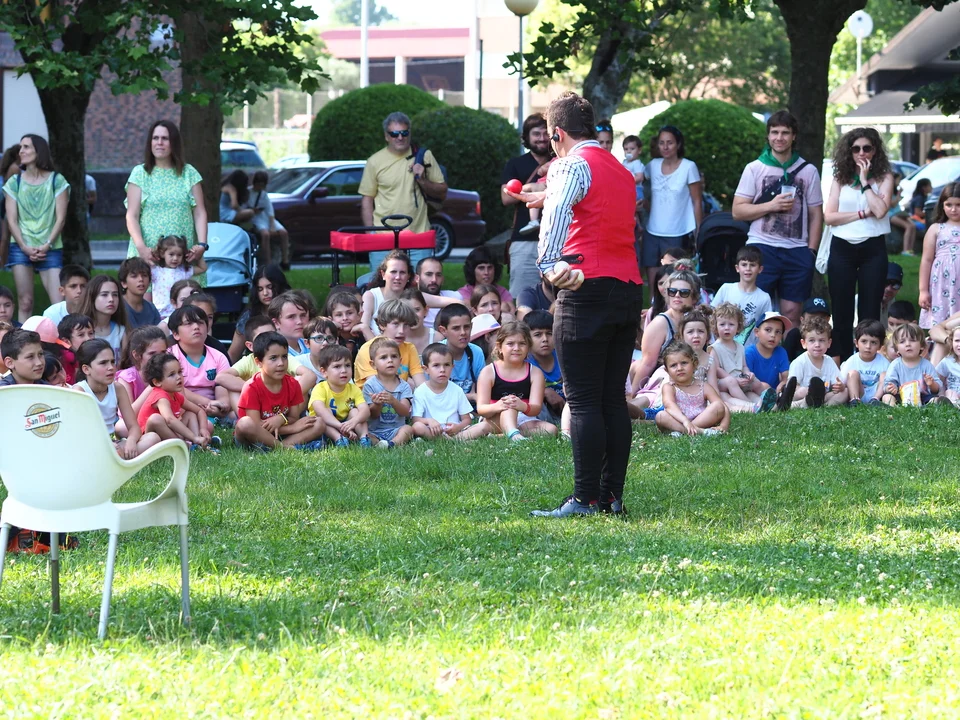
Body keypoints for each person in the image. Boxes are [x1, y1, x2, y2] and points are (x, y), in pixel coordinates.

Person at [515, 90, 641, 506]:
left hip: (585, 286)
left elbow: (556, 218)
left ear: (557, 134)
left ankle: (585, 500)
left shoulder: (569, 164)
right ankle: (612, 498)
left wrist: (549, 264)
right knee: (612, 399)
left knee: (583, 399)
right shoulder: (621, 171)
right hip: (627, 287)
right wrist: (547, 194)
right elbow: (597, 208)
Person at [732, 110, 824, 330]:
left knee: (792, 312)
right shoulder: (755, 168)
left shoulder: (808, 171)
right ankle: (750, 351)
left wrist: (811, 252)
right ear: (768, 135)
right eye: (774, 132)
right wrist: (771, 206)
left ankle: (786, 352)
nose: (779, 137)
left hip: (797, 249)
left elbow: (816, 214)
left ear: (794, 136)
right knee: (754, 310)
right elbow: (737, 211)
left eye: (785, 133)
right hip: (762, 246)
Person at [824, 128, 894, 361]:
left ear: (875, 151)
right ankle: (842, 359)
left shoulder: (884, 177)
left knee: (870, 308)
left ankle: (868, 359)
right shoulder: (840, 178)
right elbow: (830, 217)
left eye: (867, 148)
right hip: (842, 246)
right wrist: (862, 213)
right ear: (849, 152)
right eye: (856, 149)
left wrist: (865, 182)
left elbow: (880, 210)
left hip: (872, 247)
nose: (861, 153)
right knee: (841, 307)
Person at [359, 111, 447, 270]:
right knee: (381, 282)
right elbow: (367, 198)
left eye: (404, 133)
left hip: (418, 234)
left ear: (409, 133)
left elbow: (442, 191)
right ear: (386, 136)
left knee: (421, 282)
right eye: (394, 134)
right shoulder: (374, 161)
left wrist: (422, 180)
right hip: (383, 236)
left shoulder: (424, 156)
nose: (400, 137)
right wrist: (369, 232)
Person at [126, 120, 207, 283]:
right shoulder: (140, 173)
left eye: (165, 138)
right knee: (146, 298)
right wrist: (141, 248)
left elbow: (199, 213)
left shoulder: (189, 173)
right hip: (148, 256)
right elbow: (131, 215)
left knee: (185, 298)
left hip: (181, 256)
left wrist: (202, 245)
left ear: (174, 143)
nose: (159, 142)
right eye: (155, 138)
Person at [3, 134, 69, 320]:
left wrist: (47, 245)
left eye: (26, 147)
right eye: (21, 147)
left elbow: (61, 219)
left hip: (51, 247)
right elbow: (11, 220)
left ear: (38, 151)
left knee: (58, 304)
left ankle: (62, 338)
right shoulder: (14, 182)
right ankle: (21, 338)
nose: (21, 151)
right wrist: (24, 246)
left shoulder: (57, 181)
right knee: (25, 302)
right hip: (21, 247)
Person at [234, 331, 326, 452]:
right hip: (254, 437)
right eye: (273, 358)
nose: (281, 363)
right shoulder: (251, 387)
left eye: (284, 357)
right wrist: (292, 428)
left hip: (281, 433)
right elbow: (256, 426)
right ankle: (283, 448)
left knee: (319, 423)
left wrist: (281, 418)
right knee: (244, 423)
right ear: (258, 362)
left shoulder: (293, 384)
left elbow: (293, 417)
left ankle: (278, 447)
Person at [74, 338, 160, 458]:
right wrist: (105, 444)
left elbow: (134, 427)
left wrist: (131, 441)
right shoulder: (79, 391)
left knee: (152, 438)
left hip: (114, 443)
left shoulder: (117, 388)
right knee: (112, 452)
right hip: (90, 445)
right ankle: (119, 459)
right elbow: (82, 432)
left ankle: (119, 457)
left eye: (112, 361)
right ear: (86, 369)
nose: (111, 367)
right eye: (103, 363)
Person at [642, 126, 703, 288]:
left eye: (670, 142)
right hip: (652, 231)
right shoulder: (652, 165)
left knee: (674, 281)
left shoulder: (689, 167)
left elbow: (697, 201)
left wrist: (699, 231)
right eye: (661, 143)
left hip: (677, 232)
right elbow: (638, 184)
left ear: (678, 144)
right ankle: (653, 305)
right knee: (654, 282)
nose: (665, 147)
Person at [475, 321, 556, 441]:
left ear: (528, 347)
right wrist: (499, 406)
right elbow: (481, 408)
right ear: (499, 347)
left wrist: (522, 406)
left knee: (551, 430)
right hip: (495, 418)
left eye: (522, 343)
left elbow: (536, 408)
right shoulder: (488, 372)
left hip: (524, 418)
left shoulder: (535, 373)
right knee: (509, 408)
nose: (516, 348)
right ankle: (514, 436)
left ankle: (504, 436)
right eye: (510, 344)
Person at [501, 113, 553, 298]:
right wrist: (530, 188)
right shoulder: (515, 164)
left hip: (558, 241)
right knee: (522, 297)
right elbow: (505, 198)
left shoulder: (561, 162)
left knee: (558, 301)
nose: (542, 138)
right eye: (536, 134)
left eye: (546, 133)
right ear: (527, 137)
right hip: (524, 242)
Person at [631, 267, 700, 396]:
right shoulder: (660, 324)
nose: (677, 295)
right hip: (664, 383)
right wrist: (632, 395)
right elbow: (647, 363)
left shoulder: (697, 320)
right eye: (672, 291)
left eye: (684, 292)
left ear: (694, 297)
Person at [217, 315, 302, 414]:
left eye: (272, 335)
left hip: (282, 406)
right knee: (232, 386)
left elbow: (309, 375)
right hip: (255, 407)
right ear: (250, 346)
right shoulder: (249, 361)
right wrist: (256, 389)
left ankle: (287, 417)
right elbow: (221, 377)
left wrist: (293, 392)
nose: (269, 340)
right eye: (262, 338)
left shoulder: (283, 358)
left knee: (299, 379)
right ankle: (245, 417)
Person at [137, 352, 215, 451]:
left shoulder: (176, 395)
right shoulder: (160, 396)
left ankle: (198, 444)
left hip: (168, 435)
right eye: (172, 374)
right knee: (156, 419)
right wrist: (193, 437)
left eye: (179, 372)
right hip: (151, 438)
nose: (178, 377)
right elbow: (169, 420)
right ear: (157, 382)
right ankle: (184, 445)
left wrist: (203, 429)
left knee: (190, 414)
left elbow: (199, 410)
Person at [412, 343, 490, 441]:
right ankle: (449, 440)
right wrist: (429, 421)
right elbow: (416, 419)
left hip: (455, 431)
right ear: (426, 369)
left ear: (452, 367)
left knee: (484, 426)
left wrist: (458, 427)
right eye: (436, 365)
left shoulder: (457, 390)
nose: (442, 370)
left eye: (447, 365)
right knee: (417, 427)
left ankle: (454, 439)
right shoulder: (420, 391)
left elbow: (467, 419)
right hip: (432, 430)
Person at [167, 304, 231, 420]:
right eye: (188, 323)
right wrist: (208, 402)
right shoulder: (169, 356)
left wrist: (221, 406)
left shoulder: (219, 357)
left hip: (212, 408)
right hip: (181, 408)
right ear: (175, 334)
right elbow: (174, 390)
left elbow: (223, 391)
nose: (196, 327)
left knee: (234, 414)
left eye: (200, 322)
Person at [655, 340, 730, 436]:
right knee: (660, 416)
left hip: (701, 420)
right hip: (678, 420)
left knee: (718, 406)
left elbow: (723, 406)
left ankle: (683, 431)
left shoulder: (703, 386)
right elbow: (669, 405)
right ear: (667, 370)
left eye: (684, 363)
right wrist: (685, 421)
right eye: (673, 365)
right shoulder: (669, 387)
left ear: (694, 364)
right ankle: (701, 431)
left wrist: (724, 426)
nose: (679, 368)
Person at [308, 344, 374, 448]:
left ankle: (364, 439)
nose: (344, 370)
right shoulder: (320, 388)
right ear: (324, 372)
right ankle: (339, 439)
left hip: (346, 424)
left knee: (355, 412)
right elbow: (320, 410)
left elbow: (365, 411)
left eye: (347, 365)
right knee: (325, 413)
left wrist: (354, 421)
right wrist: (340, 426)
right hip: (325, 427)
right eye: (337, 366)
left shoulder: (353, 389)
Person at [353, 299, 425, 390]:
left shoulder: (409, 348)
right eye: (396, 324)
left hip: (398, 395)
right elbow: (376, 388)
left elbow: (421, 383)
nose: (401, 331)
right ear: (382, 325)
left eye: (406, 325)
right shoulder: (368, 349)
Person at [226, 264, 290, 363]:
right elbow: (233, 354)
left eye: (270, 287)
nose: (265, 293)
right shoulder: (249, 317)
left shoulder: (292, 311)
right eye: (260, 289)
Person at [710, 245, 772, 345]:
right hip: (721, 347)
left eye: (752, 265)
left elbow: (766, 327)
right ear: (737, 268)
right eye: (744, 264)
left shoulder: (764, 298)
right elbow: (711, 317)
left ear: (760, 269)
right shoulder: (726, 289)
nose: (748, 269)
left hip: (748, 351)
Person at [919, 183, 960, 330]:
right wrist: (923, 290)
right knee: (941, 322)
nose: (953, 209)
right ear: (942, 205)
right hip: (942, 283)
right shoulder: (936, 228)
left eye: (958, 205)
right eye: (949, 205)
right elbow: (926, 260)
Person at [361, 336, 415, 448]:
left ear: (400, 361)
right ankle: (378, 443)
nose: (390, 360)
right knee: (365, 435)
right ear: (373, 364)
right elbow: (372, 415)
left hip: (396, 430)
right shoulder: (370, 385)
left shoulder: (404, 386)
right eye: (383, 357)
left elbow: (405, 412)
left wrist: (393, 401)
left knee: (408, 429)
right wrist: (377, 404)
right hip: (374, 430)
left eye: (394, 356)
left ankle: (392, 444)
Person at [115, 325, 168, 434]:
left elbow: (182, 400)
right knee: (121, 427)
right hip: (138, 422)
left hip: (164, 419)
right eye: (152, 353)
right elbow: (128, 415)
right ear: (137, 355)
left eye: (163, 352)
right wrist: (152, 386)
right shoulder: (127, 377)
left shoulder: (168, 372)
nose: (159, 358)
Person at [787, 316, 848, 408]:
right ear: (804, 343)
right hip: (804, 395)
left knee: (845, 391)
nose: (817, 345)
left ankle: (825, 406)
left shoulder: (829, 361)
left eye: (822, 340)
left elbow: (837, 383)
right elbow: (793, 388)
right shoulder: (799, 362)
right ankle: (801, 403)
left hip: (824, 396)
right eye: (812, 340)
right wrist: (808, 391)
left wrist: (840, 386)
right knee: (802, 391)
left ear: (829, 343)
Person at [524, 310, 569, 428]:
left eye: (549, 333)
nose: (545, 339)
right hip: (541, 412)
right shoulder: (524, 362)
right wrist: (545, 391)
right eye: (538, 335)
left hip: (567, 408)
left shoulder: (564, 357)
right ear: (527, 338)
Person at [435, 303, 486, 406]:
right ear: (443, 330)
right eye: (456, 328)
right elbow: (432, 395)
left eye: (466, 327)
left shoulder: (476, 352)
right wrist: (470, 396)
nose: (463, 332)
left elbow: (483, 391)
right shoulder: (434, 354)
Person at [745, 311, 794, 409]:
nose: (773, 335)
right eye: (768, 330)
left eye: (778, 332)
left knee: (793, 390)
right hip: (753, 391)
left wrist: (782, 384)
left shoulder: (781, 352)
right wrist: (763, 387)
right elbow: (748, 382)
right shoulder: (749, 352)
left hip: (775, 391)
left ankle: (781, 402)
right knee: (760, 389)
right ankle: (775, 404)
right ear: (756, 332)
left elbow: (786, 377)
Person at [881, 323, 940, 405]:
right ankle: (894, 408)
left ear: (921, 346)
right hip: (900, 396)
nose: (908, 344)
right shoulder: (895, 365)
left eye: (912, 340)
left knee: (935, 399)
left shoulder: (927, 365)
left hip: (922, 397)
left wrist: (931, 384)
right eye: (902, 341)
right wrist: (891, 388)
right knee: (887, 397)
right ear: (897, 349)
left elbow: (937, 389)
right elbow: (887, 384)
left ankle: (928, 407)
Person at [149, 235, 206, 319]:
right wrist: (151, 254)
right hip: (160, 314)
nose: (175, 258)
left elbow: (202, 268)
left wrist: (198, 254)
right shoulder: (155, 271)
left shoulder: (184, 271)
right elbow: (140, 268)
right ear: (162, 253)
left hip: (181, 314)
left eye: (179, 255)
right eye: (171, 254)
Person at [79, 274, 129, 362]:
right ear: (92, 297)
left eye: (115, 295)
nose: (111, 299)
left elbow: (125, 364)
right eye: (104, 294)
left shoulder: (120, 331)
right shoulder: (80, 331)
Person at [247, 170, 290, 270]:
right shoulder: (248, 193)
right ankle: (268, 262)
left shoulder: (263, 194)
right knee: (265, 234)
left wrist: (272, 225)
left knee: (283, 233)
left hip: (265, 216)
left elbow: (270, 211)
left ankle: (285, 260)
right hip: (255, 218)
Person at [841, 319, 889, 405]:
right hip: (859, 391)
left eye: (873, 342)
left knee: (885, 375)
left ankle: (875, 400)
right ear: (856, 343)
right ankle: (855, 401)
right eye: (864, 341)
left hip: (877, 393)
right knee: (852, 374)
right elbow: (842, 381)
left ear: (880, 346)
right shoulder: (852, 361)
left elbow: (890, 382)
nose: (868, 346)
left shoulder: (884, 362)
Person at [457, 246, 514, 313]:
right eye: (481, 268)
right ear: (472, 271)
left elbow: (512, 313)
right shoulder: (463, 293)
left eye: (490, 267)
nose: (486, 272)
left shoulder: (502, 292)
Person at [782, 297, 833, 362]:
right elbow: (785, 362)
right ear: (802, 319)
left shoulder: (831, 334)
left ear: (828, 319)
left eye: (821, 318)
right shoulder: (794, 335)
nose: (816, 321)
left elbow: (835, 364)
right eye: (812, 317)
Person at [414, 256, 459, 330]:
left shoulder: (455, 296)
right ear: (417, 278)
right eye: (429, 274)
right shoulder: (411, 302)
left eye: (438, 275)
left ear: (442, 279)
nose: (434, 280)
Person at [118, 258, 162, 329]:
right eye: (134, 276)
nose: (141, 279)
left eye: (144, 275)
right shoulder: (118, 307)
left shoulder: (151, 308)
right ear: (124, 283)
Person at [325, 289, 365, 362]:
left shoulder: (364, 334)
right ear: (331, 319)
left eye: (349, 313)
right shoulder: (327, 339)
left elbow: (379, 352)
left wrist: (366, 329)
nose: (345, 318)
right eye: (339, 315)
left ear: (359, 315)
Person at [267, 291, 310, 357]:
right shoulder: (272, 353)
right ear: (276, 323)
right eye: (291, 317)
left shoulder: (311, 345)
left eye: (303, 315)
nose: (299, 321)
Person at [56, 313, 95, 384]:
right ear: (66, 341)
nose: (88, 338)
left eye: (91, 333)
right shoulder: (64, 361)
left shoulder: (98, 354)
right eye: (81, 335)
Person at [0, 143, 21, 268]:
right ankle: (4, 264)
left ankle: (4, 264)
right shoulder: (15, 168)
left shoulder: (12, 167)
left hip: (6, 203)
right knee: (7, 236)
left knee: (6, 236)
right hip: (10, 204)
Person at [935, 325, 960, 405]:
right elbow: (938, 379)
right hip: (953, 396)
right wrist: (942, 394)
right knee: (949, 392)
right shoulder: (947, 362)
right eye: (957, 340)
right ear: (951, 342)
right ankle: (953, 405)